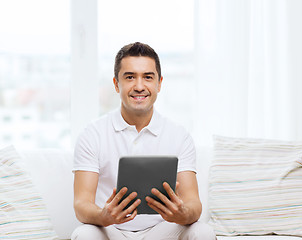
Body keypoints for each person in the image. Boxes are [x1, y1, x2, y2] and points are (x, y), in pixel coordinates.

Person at [71, 42, 216, 240]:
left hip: (163, 230)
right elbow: (81, 205)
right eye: (130, 77)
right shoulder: (92, 134)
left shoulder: (179, 135)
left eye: (148, 77)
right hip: (112, 230)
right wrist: (103, 216)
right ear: (116, 84)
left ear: (159, 83)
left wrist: (182, 214)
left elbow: (194, 204)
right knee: (84, 233)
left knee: (203, 232)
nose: (139, 86)